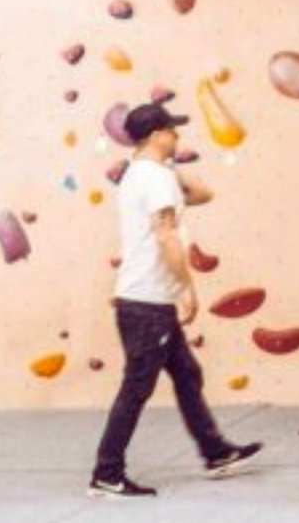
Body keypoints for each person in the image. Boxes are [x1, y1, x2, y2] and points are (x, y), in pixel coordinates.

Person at [90, 102, 261, 499]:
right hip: (149, 301)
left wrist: (167, 167)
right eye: (172, 130)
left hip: (146, 301)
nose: (178, 136)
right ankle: (106, 472)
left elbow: (203, 193)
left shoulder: (145, 175)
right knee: (136, 388)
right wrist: (186, 287)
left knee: (186, 375)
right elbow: (166, 235)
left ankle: (216, 453)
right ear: (155, 135)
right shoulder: (154, 179)